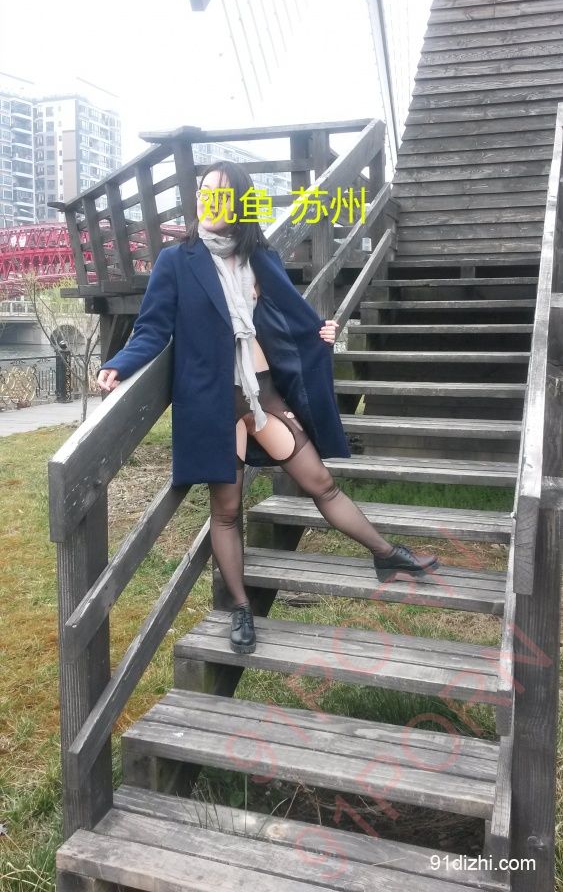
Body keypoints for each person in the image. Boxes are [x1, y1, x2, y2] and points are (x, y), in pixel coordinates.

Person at [97, 160, 439, 654]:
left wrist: (322, 330)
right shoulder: (177, 261)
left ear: (240, 204)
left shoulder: (260, 257)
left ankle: (386, 554)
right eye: (204, 192)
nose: (209, 201)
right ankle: (240, 608)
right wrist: (120, 362)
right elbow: (152, 328)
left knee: (320, 481)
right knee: (227, 510)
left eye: (221, 194)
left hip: (264, 394)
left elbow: (291, 314)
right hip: (213, 401)